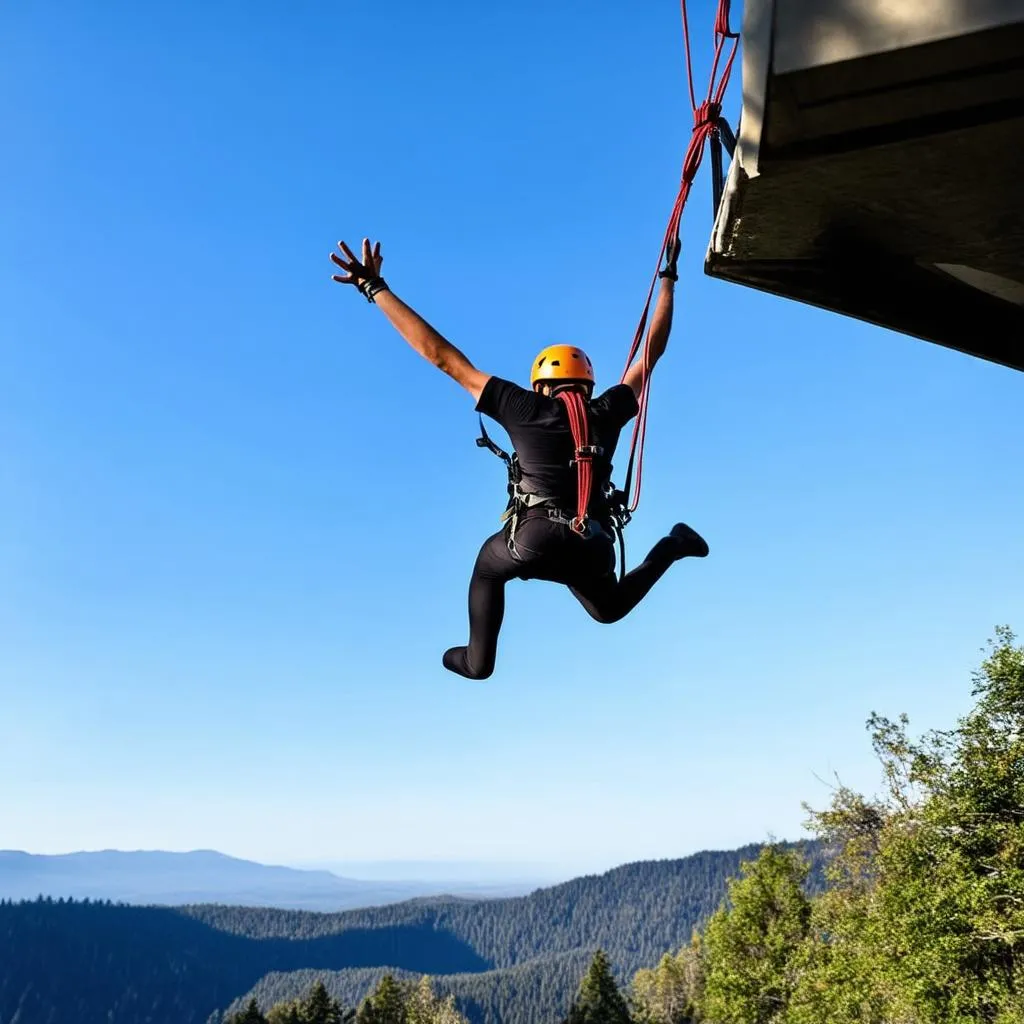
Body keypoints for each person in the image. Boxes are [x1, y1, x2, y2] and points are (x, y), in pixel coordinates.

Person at [330, 238, 709, 680]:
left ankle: (477, 662)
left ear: (540, 385)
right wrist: (669, 278)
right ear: (587, 384)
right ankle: (673, 545)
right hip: (592, 546)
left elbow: (441, 357)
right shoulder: (607, 410)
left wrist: (375, 288)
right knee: (608, 611)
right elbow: (651, 353)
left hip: (535, 541)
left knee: (488, 569)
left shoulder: (522, 406)